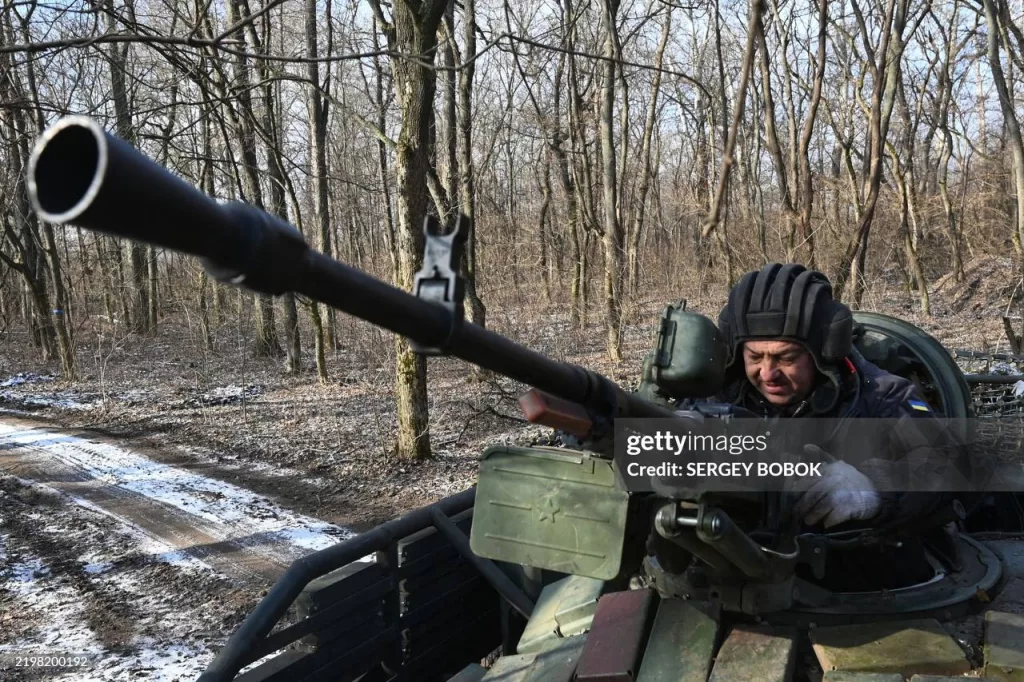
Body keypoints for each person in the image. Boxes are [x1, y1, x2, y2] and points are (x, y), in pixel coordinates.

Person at [712, 263, 972, 589]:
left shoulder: (880, 394)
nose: (767, 374)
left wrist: (871, 488)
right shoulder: (722, 391)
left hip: (863, 582)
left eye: (786, 358)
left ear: (824, 351)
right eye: (755, 356)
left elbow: (948, 463)